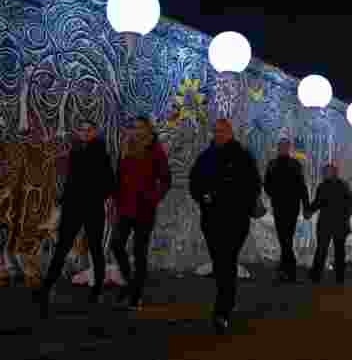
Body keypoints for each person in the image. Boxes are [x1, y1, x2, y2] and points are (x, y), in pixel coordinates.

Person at [34, 120, 116, 318]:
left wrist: (95, 196)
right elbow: (71, 179)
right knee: (62, 247)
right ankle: (47, 287)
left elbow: (110, 183)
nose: (85, 133)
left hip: (92, 209)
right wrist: (63, 200)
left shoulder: (102, 154)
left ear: (94, 132)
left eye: (89, 130)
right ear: (78, 132)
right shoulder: (76, 152)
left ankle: (97, 290)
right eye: (82, 130)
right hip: (73, 208)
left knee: (96, 249)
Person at [189, 118, 262, 334]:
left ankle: (222, 310)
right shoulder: (206, 157)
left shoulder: (242, 156)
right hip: (211, 220)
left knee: (226, 261)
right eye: (216, 131)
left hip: (235, 220)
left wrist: (231, 198)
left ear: (230, 132)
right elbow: (194, 182)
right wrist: (203, 197)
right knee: (221, 263)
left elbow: (253, 185)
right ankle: (226, 301)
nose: (218, 134)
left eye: (223, 131)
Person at [110, 116, 171, 311]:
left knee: (139, 252)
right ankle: (130, 282)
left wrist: (154, 197)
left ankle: (136, 295)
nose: (137, 131)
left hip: (144, 209)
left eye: (141, 128)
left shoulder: (155, 150)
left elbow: (166, 179)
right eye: (134, 127)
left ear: (148, 129)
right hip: (125, 207)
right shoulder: (126, 146)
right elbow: (119, 175)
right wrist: (115, 197)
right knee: (117, 244)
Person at [263, 132, 310, 283]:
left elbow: (302, 186)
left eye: (285, 146)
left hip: (290, 205)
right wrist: (274, 194)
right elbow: (267, 184)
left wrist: (305, 206)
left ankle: (287, 268)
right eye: (281, 146)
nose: (283, 149)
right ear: (279, 148)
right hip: (281, 204)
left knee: (285, 236)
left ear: (288, 148)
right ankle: (287, 268)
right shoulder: (275, 164)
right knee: (284, 237)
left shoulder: (292, 164)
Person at [305, 161, 352, 284]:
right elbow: (349, 204)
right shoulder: (341, 185)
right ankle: (337, 276)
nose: (324, 174)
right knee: (335, 250)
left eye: (326, 172)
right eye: (324, 172)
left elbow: (318, 202)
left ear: (333, 173)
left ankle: (318, 275)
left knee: (325, 249)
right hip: (335, 223)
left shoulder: (327, 186)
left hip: (330, 223)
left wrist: (309, 210)